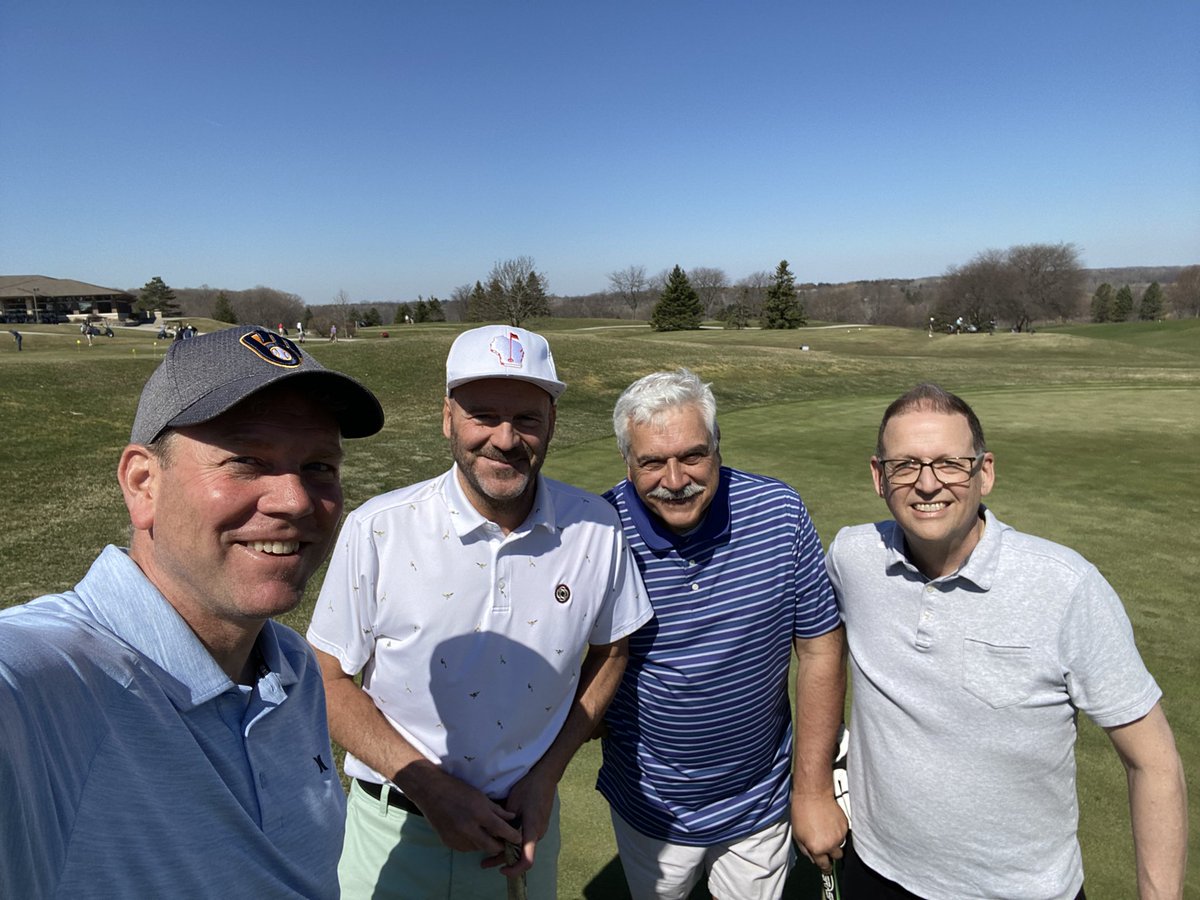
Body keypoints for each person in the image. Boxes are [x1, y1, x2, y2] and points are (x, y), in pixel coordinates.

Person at [0, 325, 385, 898]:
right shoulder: (46, 684)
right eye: (247, 460)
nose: (297, 500)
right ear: (142, 484)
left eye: (320, 466)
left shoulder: (292, 667)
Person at [308, 325, 654, 899]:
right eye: (483, 415)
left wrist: (548, 776)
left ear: (552, 424)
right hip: (394, 833)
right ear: (448, 418)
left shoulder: (596, 526)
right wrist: (430, 789)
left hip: (524, 834)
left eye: (527, 418)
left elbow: (611, 650)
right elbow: (325, 678)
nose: (505, 438)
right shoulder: (379, 527)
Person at [826, 383, 1188, 900]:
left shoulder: (1065, 586)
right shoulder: (852, 556)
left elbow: (1153, 762)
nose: (927, 484)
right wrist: (811, 787)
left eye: (950, 463)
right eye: (906, 465)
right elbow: (805, 646)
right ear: (878, 476)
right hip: (876, 872)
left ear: (985, 472)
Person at [598, 368, 847, 900]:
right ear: (627, 463)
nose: (674, 479)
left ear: (717, 447)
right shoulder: (598, 532)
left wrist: (813, 788)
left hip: (760, 796)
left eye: (692, 455)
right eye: (651, 462)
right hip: (648, 805)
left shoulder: (781, 513)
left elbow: (820, 647)